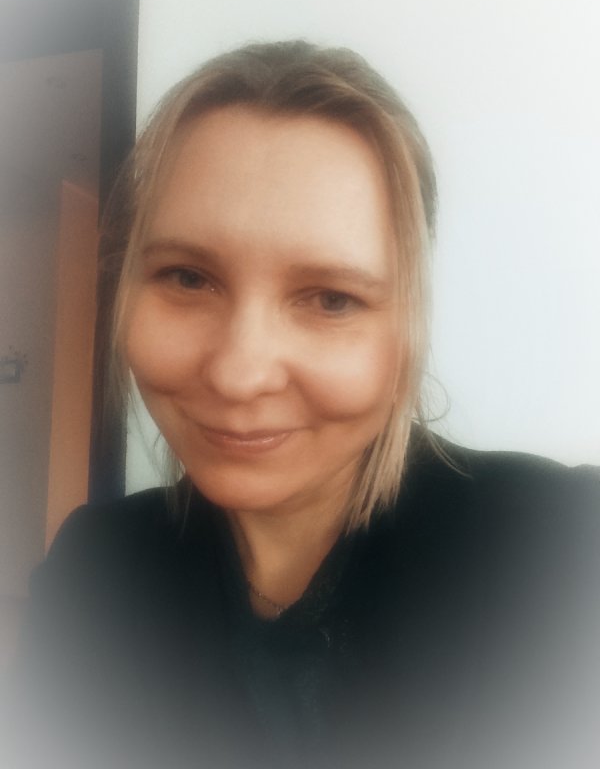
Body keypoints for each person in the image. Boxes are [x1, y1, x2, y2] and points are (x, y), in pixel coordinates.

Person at [5, 40, 600, 769]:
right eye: (188, 278)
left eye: (331, 299)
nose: (239, 374)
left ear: (407, 327)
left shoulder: (562, 552)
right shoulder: (92, 573)